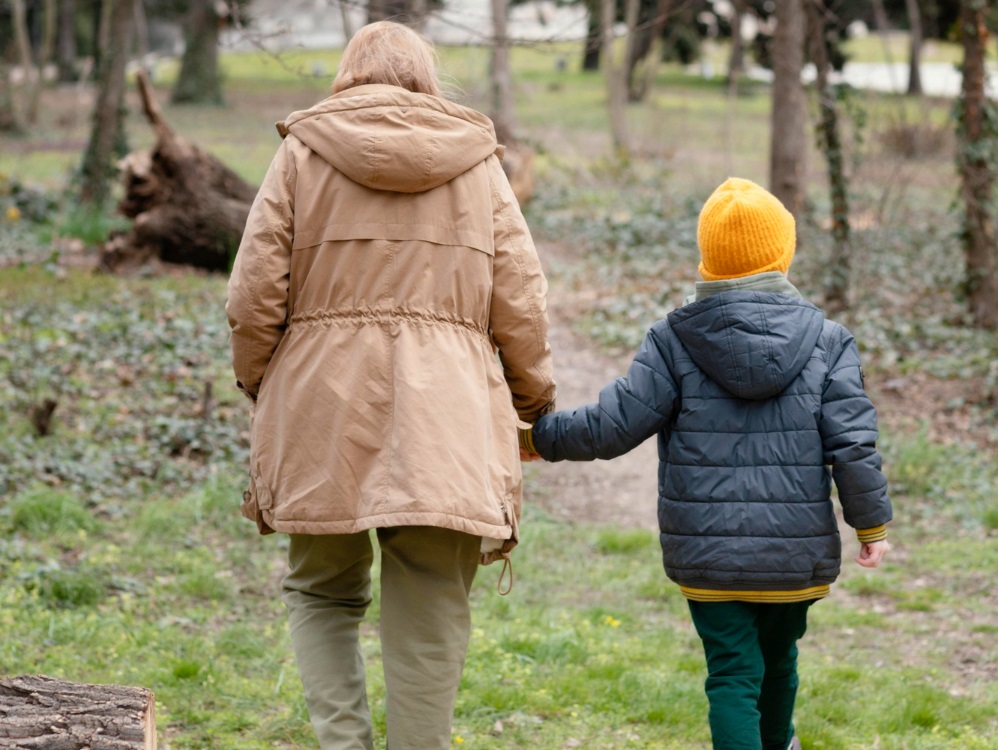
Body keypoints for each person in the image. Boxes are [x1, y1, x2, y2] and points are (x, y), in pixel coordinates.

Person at [226, 21, 556, 750]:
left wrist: (265, 384)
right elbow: (522, 302)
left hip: (321, 404)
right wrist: (532, 401)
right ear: (426, 77)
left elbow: (252, 297)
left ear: (347, 74)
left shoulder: (300, 155)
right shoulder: (479, 166)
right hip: (452, 412)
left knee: (321, 590)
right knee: (432, 604)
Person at [520, 177, 892, 750]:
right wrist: (870, 525)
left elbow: (614, 423)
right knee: (779, 661)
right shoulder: (827, 339)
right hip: (795, 553)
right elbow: (853, 443)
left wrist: (538, 439)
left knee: (732, 674)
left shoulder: (674, 339)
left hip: (707, 556)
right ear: (783, 254)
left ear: (708, 261)